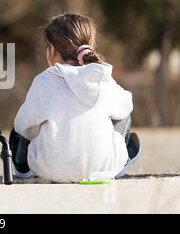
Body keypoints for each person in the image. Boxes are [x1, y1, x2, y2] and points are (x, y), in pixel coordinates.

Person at [10, 13, 141, 183]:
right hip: (102, 169)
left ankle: (21, 166)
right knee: (123, 112)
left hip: (49, 170)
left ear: (52, 50)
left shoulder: (44, 81)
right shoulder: (102, 78)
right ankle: (119, 158)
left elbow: (22, 125)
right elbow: (126, 105)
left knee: (24, 124)